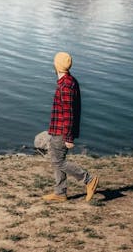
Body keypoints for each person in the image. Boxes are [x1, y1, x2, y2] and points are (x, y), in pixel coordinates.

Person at [42, 51, 99, 203]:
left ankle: (89, 179)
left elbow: (69, 114)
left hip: (62, 130)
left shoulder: (66, 86)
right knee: (56, 159)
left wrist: (68, 137)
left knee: (59, 161)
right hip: (58, 129)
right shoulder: (69, 81)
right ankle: (60, 193)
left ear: (57, 66)